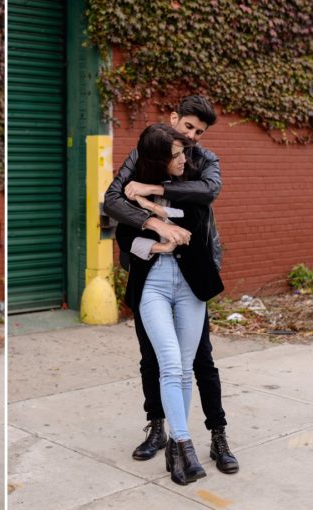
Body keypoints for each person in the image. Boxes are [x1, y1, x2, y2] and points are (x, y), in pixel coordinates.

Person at [104, 95, 238, 473]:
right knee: (154, 359)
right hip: (152, 274)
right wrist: (155, 223)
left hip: (193, 273)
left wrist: (153, 191)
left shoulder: (203, 160)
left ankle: (218, 433)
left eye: (199, 132)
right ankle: (159, 428)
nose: (192, 136)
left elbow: (208, 193)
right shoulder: (143, 153)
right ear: (174, 118)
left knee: (201, 361)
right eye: (188, 127)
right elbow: (113, 199)